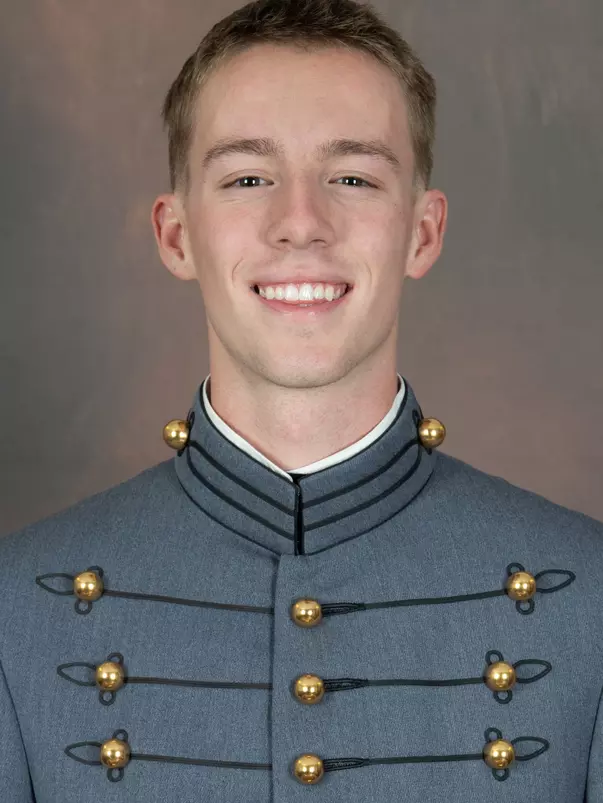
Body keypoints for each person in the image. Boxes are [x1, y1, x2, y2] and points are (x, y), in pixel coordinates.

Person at [1, 0, 602, 799]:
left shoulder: (589, 597)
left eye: (351, 176)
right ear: (176, 234)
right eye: (248, 177)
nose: (300, 223)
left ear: (421, 232)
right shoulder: (16, 609)